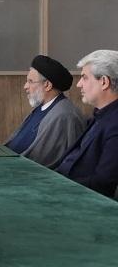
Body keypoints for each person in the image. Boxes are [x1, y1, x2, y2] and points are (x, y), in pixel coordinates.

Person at [56, 50, 118, 197]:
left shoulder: (115, 124)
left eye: (84, 77)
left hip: (78, 199)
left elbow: (102, 184)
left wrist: (56, 186)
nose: (78, 84)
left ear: (104, 82)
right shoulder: (99, 115)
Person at [5, 55, 85, 168]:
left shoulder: (64, 115)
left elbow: (42, 160)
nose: (25, 86)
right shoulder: (41, 107)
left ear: (47, 85)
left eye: (30, 81)